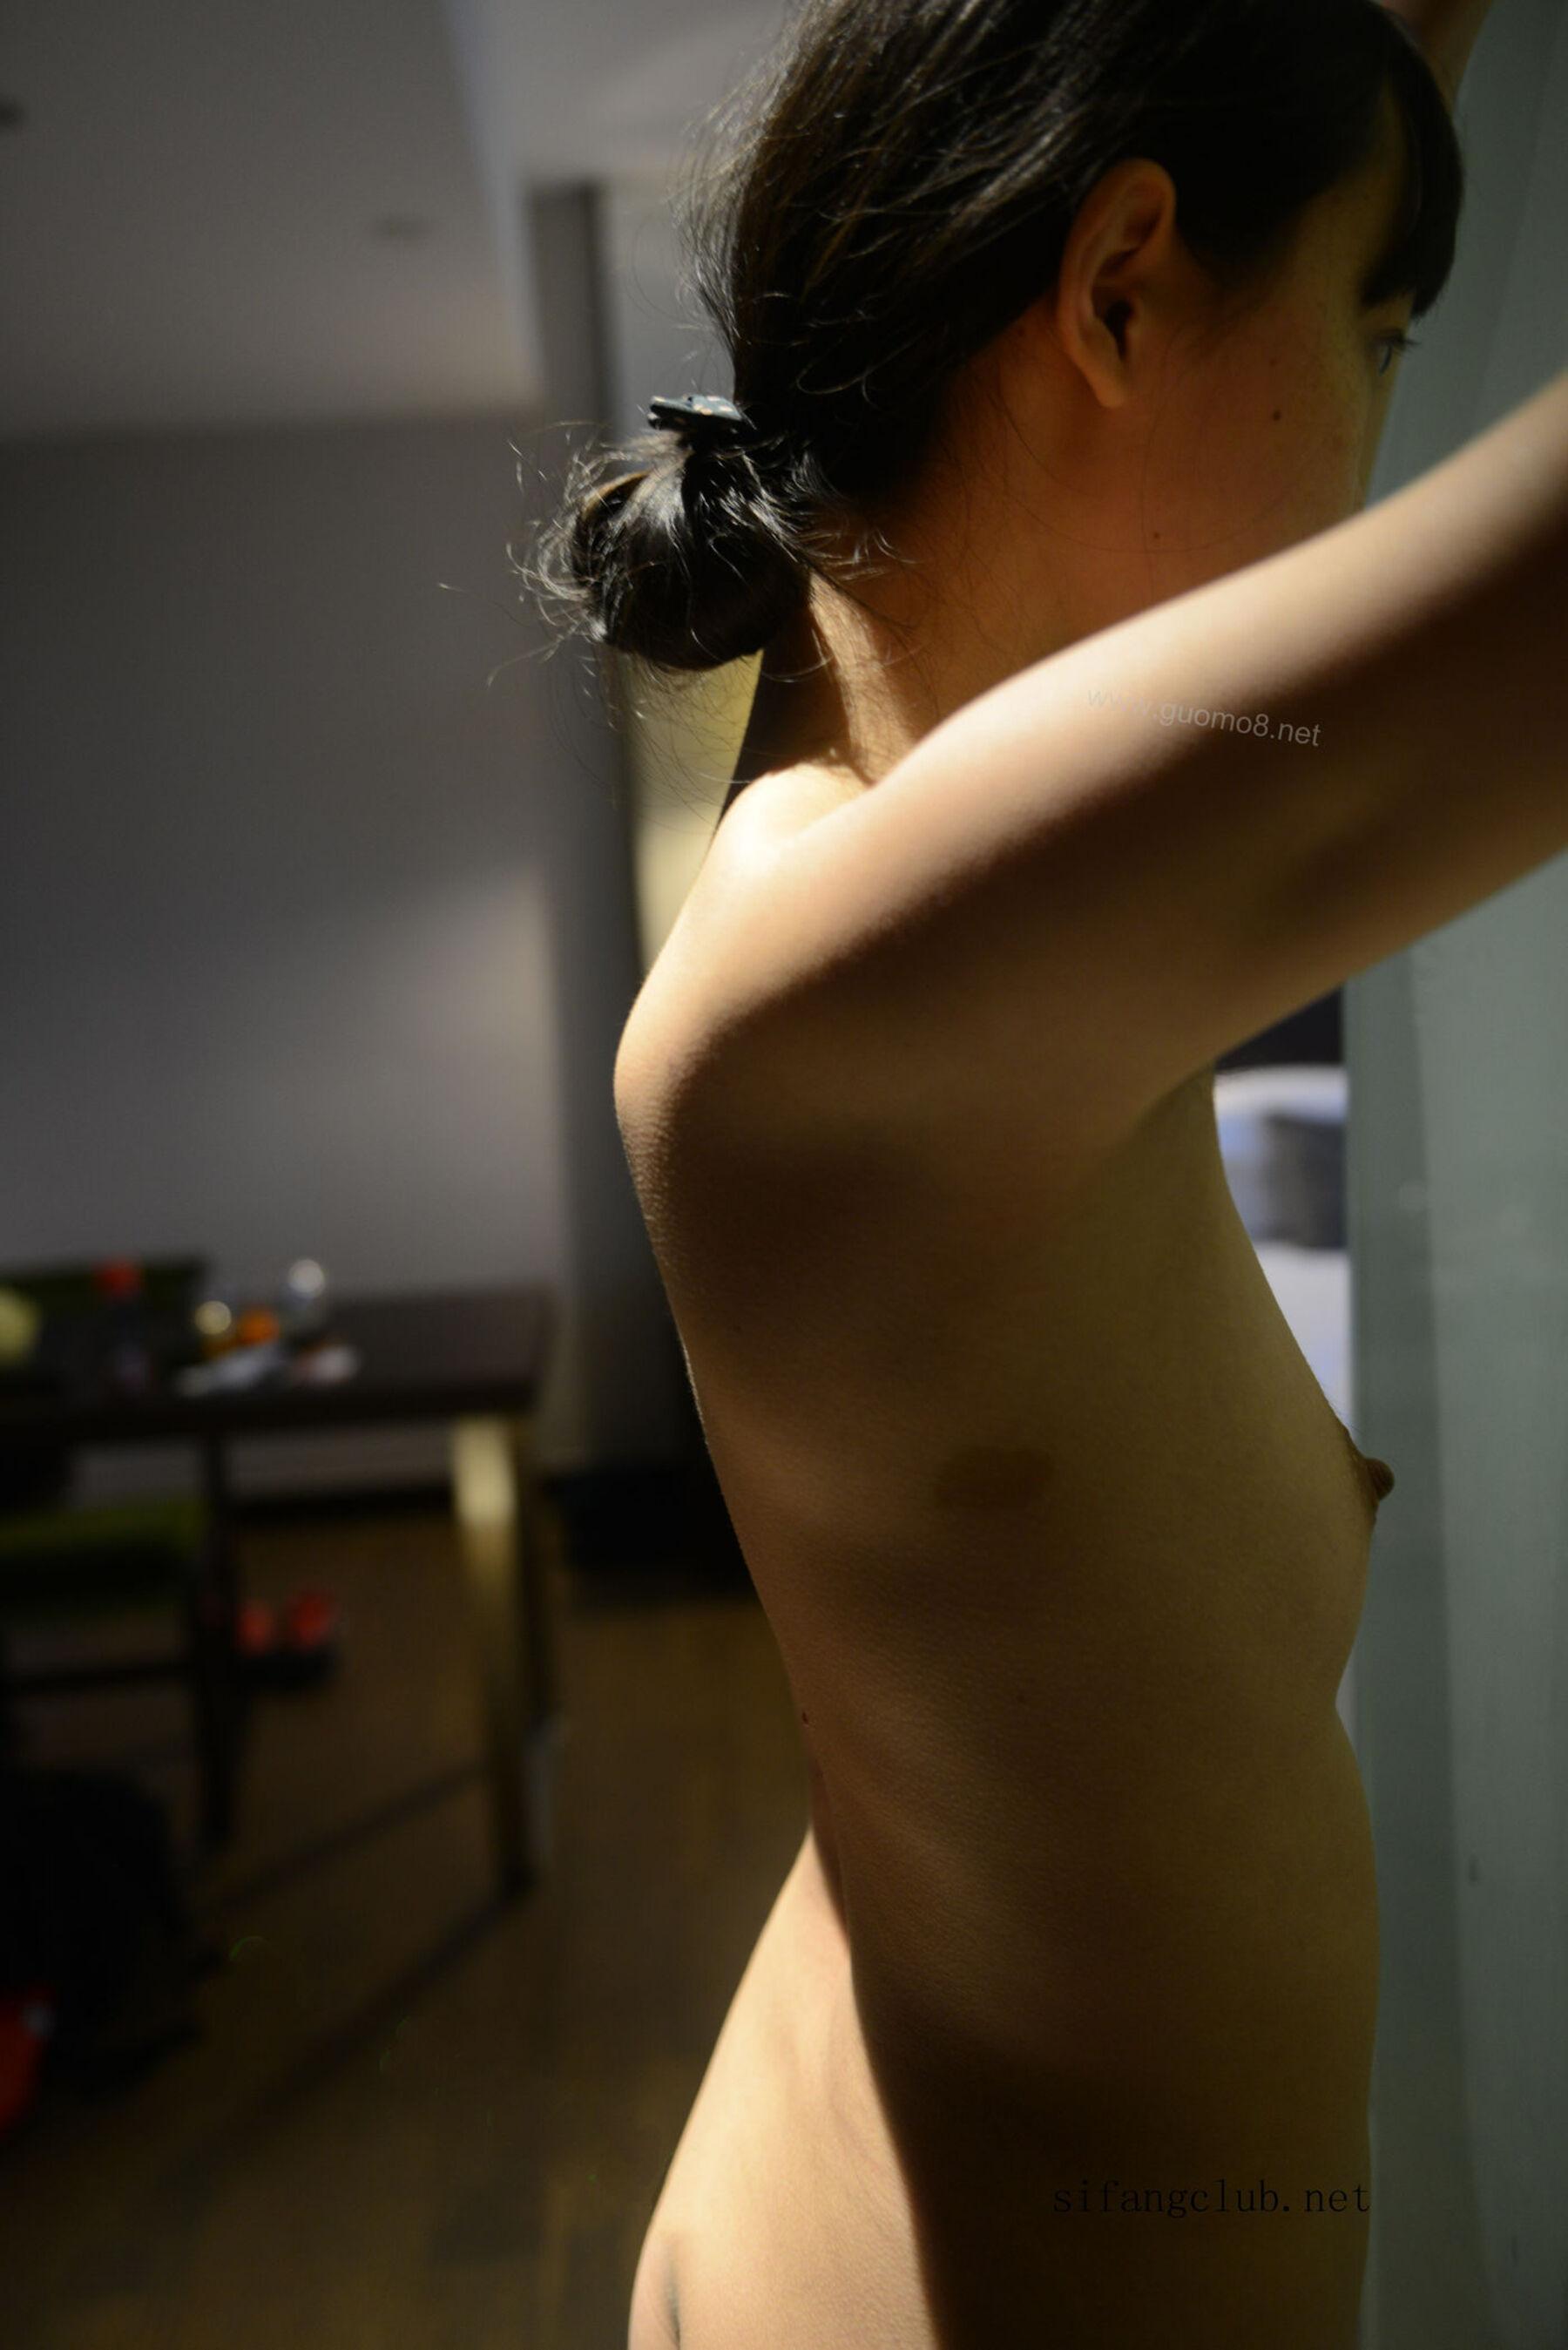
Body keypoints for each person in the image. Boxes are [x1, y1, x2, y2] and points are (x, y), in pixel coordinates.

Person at [522, 1, 1557, 2342]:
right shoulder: (849, 992)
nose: (1375, 433)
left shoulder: (895, 901)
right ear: (1118, 291)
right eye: (1377, 328)